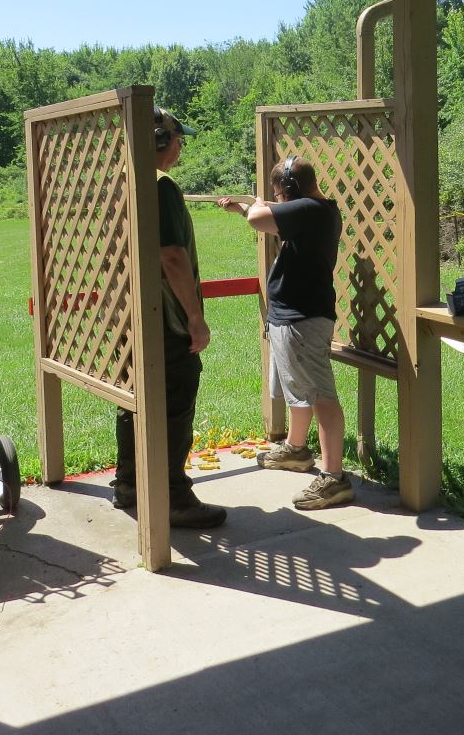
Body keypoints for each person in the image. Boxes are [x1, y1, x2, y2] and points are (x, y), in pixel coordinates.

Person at [111, 106, 227, 529]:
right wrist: (195, 318)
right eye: (178, 139)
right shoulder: (160, 187)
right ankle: (174, 497)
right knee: (175, 404)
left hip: (130, 316)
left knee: (133, 402)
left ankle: (129, 483)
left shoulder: (123, 182)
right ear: (160, 141)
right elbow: (172, 256)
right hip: (165, 319)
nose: (180, 147)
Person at [220, 155, 352, 510]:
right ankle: (296, 449)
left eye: (280, 194)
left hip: (302, 319)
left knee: (320, 395)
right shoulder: (311, 211)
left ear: (290, 189)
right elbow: (270, 222)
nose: (278, 200)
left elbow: (260, 218)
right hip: (292, 317)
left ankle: (334, 478)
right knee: (298, 391)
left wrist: (256, 205)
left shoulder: (311, 209)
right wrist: (242, 209)